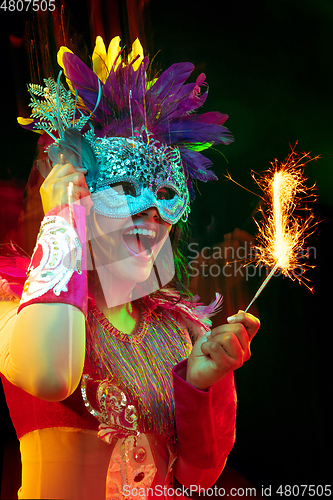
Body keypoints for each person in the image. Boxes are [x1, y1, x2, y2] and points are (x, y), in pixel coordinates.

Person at [0, 36, 260, 500]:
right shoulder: (11, 307)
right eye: (127, 194)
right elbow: (49, 373)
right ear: (83, 193)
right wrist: (62, 215)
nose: (152, 218)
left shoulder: (178, 330)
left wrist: (199, 386)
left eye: (163, 201)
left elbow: (199, 478)